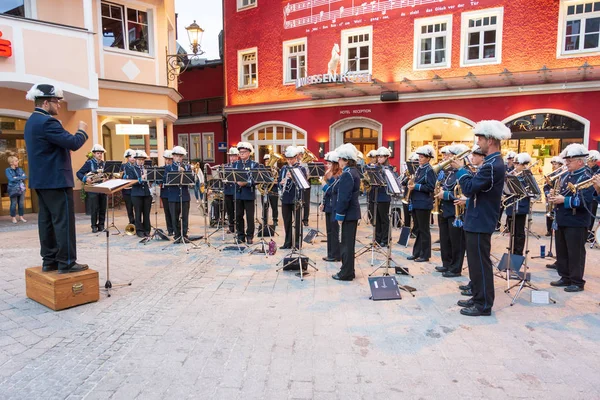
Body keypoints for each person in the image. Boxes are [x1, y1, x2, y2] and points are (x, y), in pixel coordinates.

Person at [23, 83, 89, 274]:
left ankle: (49, 260)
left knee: (46, 222)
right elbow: (74, 143)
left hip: (41, 181)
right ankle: (67, 262)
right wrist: (82, 129)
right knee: (63, 222)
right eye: (56, 102)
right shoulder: (48, 122)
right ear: (45, 103)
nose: (59, 105)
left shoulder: (31, 121)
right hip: (56, 180)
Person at [451, 120, 510, 316]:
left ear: (491, 140)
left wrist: (461, 170)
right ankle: (477, 296)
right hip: (477, 218)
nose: (478, 143)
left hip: (481, 219)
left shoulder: (492, 165)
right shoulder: (491, 163)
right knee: (475, 263)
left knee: (481, 265)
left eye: (481, 138)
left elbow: (468, 188)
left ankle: (483, 304)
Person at [547, 144, 594, 292]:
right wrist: (552, 196)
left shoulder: (588, 177)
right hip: (563, 218)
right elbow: (559, 191)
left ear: (580, 161)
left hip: (576, 221)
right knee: (562, 250)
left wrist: (564, 200)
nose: (566, 163)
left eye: (570, 160)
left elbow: (585, 201)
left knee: (575, 252)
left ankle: (577, 281)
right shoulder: (566, 175)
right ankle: (565, 276)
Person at [434, 144, 469, 278]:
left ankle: (455, 268)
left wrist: (446, 195)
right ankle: (446, 263)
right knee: (445, 238)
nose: (447, 158)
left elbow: (466, 193)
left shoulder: (465, 172)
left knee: (456, 241)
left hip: (456, 211)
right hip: (444, 208)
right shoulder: (449, 172)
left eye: (450, 156)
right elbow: (442, 186)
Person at [332, 143, 361, 281]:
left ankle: (346, 273)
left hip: (348, 214)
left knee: (346, 245)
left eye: (340, 159)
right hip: (352, 213)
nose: (338, 162)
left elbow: (344, 198)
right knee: (348, 244)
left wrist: (339, 215)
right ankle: (349, 270)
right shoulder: (353, 172)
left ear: (346, 160)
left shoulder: (347, 174)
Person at [406, 145, 436, 263]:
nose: (419, 159)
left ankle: (425, 254)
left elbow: (431, 187)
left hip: (424, 203)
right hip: (416, 202)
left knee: (424, 230)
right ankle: (417, 252)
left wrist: (416, 186)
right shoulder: (419, 169)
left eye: (422, 157)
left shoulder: (429, 170)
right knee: (417, 229)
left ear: (428, 158)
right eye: (419, 156)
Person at [505, 153, 533, 256]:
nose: (515, 166)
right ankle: (512, 252)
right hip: (511, 205)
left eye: (518, 164)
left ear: (523, 165)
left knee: (519, 232)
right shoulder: (510, 175)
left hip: (521, 207)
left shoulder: (528, 176)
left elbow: (532, 191)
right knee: (511, 232)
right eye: (515, 164)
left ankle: (518, 253)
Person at [279, 146, 306, 250]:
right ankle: (288, 242)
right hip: (285, 197)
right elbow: (279, 182)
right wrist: (281, 183)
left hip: (296, 197)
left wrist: (293, 177)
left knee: (298, 221)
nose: (289, 161)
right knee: (287, 221)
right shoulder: (284, 168)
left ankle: (298, 243)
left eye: (291, 159)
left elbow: (303, 184)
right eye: (288, 159)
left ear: (296, 157)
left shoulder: (300, 168)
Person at [77, 144, 107, 233]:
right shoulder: (89, 163)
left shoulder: (104, 163)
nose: (100, 155)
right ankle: (94, 226)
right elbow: (79, 173)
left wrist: (106, 177)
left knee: (102, 207)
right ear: (94, 154)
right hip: (93, 188)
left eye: (101, 153)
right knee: (94, 208)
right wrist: (86, 179)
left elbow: (106, 174)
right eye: (98, 153)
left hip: (103, 187)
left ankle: (101, 226)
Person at [233, 142, 259, 244]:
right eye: (240, 152)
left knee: (249, 217)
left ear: (249, 153)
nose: (242, 154)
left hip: (249, 193)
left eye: (244, 152)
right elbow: (231, 177)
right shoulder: (236, 164)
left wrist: (246, 183)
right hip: (238, 194)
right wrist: (236, 181)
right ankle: (240, 235)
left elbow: (257, 179)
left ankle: (249, 236)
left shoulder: (254, 164)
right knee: (238, 216)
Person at [167, 146, 192, 243]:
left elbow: (191, 180)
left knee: (185, 216)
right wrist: (176, 172)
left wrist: (186, 172)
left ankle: (184, 235)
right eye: (176, 156)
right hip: (173, 196)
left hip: (184, 195)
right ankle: (177, 235)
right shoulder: (168, 167)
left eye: (180, 156)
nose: (178, 158)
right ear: (173, 156)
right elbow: (166, 179)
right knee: (174, 217)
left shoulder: (186, 166)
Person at [124, 150, 152, 238]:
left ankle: (147, 229)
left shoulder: (146, 168)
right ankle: (139, 230)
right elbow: (130, 182)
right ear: (136, 159)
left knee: (146, 213)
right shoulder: (131, 168)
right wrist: (141, 178)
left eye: (142, 160)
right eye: (139, 159)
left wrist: (150, 179)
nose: (141, 161)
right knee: (138, 212)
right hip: (136, 193)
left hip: (146, 193)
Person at [321, 151, 341, 261]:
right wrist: (323, 203)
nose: (327, 166)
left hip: (335, 206)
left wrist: (324, 185)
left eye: (329, 163)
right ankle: (330, 253)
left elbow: (333, 191)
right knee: (329, 231)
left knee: (334, 231)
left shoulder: (338, 176)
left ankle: (335, 254)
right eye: (327, 163)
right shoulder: (329, 175)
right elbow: (327, 194)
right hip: (328, 206)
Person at [374, 147, 392, 247]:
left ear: (386, 157)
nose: (379, 159)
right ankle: (377, 238)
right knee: (377, 218)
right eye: (378, 157)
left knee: (384, 219)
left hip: (384, 196)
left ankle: (385, 239)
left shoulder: (389, 168)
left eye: (381, 157)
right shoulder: (376, 167)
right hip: (376, 195)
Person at [543, 156, 565, 237]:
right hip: (550, 196)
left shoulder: (563, 175)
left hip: (559, 196)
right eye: (553, 164)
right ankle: (549, 230)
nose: (553, 166)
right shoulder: (551, 175)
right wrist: (547, 193)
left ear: (560, 165)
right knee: (549, 213)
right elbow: (545, 186)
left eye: (555, 164)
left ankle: (557, 229)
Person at [5, 154, 28, 224]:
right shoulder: (8, 170)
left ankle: (21, 217)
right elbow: (11, 179)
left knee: (21, 204)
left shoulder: (20, 169)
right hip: (13, 189)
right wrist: (20, 177)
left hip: (22, 188)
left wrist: (16, 178)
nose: (17, 162)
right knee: (13, 204)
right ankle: (13, 218)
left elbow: (25, 177)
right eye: (16, 161)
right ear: (11, 162)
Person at [224, 147, 239, 234]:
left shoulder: (239, 166)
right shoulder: (226, 166)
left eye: (234, 156)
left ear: (237, 157)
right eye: (231, 156)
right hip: (228, 191)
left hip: (236, 191)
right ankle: (231, 226)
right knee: (229, 210)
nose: (232, 158)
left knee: (237, 210)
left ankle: (238, 226)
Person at [585, 150, 600, 240]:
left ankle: (589, 231)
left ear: (594, 161)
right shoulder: (586, 169)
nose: (588, 162)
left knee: (591, 213)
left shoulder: (598, 170)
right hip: (586, 194)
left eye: (590, 160)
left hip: (594, 195)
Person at [262, 154, 279, 227]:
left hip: (273, 189)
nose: (267, 162)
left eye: (269, 161)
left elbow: (279, 180)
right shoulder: (261, 170)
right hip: (264, 189)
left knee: (274, 206)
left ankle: (275, 220)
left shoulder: (276, 170)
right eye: (266, 161)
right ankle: (265, 221)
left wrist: (275, 181)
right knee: (264, 206)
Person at [296, 146, 311, 227]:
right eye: (299, 154)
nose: (300, 155)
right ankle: (297, 218)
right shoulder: (295, 163)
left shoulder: (306, 163)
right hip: (297, 185)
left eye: (301, 154)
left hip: (306, 185)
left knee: (306, 203)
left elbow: (309, 174)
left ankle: (305, 219)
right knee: (297, 201)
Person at [160, 150, 174, 236]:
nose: (168, 161)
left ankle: (176, 227)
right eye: (167, 159)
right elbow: (159, 180)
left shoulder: (174, 168)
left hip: (173, 193)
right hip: (165, 192)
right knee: (167, 212)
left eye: (170, 159)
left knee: (174, 211)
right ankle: (170, 229)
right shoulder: (161, 169)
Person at [121, 149, 136, 226]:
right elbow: (119, 177)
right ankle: (131, 222)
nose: (132, 158)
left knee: (137, 207)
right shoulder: (123, 166)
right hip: (126, 190)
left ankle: (137, 222)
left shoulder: (137, 166)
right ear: (127, 158)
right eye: (130, 157)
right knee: (129, 208)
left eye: (134, 157)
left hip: (135, 189)